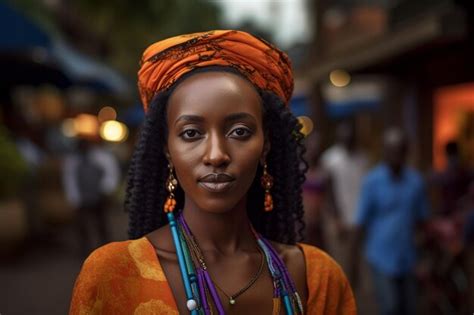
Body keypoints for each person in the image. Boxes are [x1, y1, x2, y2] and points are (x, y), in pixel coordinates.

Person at [69, 30, 356, 315]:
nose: (216, 155)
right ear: (167, 148)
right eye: (192, 133)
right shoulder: (111, 277)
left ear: (265, 145)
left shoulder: (317, 278)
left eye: (239, 132)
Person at [351, 128, 429, 315]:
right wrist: (352, 262)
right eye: (391, 150)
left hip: (408, 257)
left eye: (399, 150)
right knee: (390, 307)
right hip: (381, 257)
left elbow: (422, 221)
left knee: (409, 308)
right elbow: (361, 222)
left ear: (405, 152)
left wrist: (425, 257)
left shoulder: (416, 182)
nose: (395, 155)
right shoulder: (372, 181)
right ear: (385, 152)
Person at [321, 120, 369, 271]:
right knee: (341, 263)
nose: (348, 138)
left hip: (361, 220)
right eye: (344, 135)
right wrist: (336, 219)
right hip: (340, 220)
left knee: (361, 265)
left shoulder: (363, 158)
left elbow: (366, 189)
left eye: (350, 135)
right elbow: (328, 192)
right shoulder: (330, 159)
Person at [62, 138, 120, 256]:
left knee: (101, 223)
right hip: (82, 198)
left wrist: (106, 189)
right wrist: (74, 199)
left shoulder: (101, 157)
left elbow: (111, 173)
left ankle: (106, 248)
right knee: (82, 225)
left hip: (98, 196)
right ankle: (85, 249)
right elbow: (69, 180)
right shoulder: (72, 161)